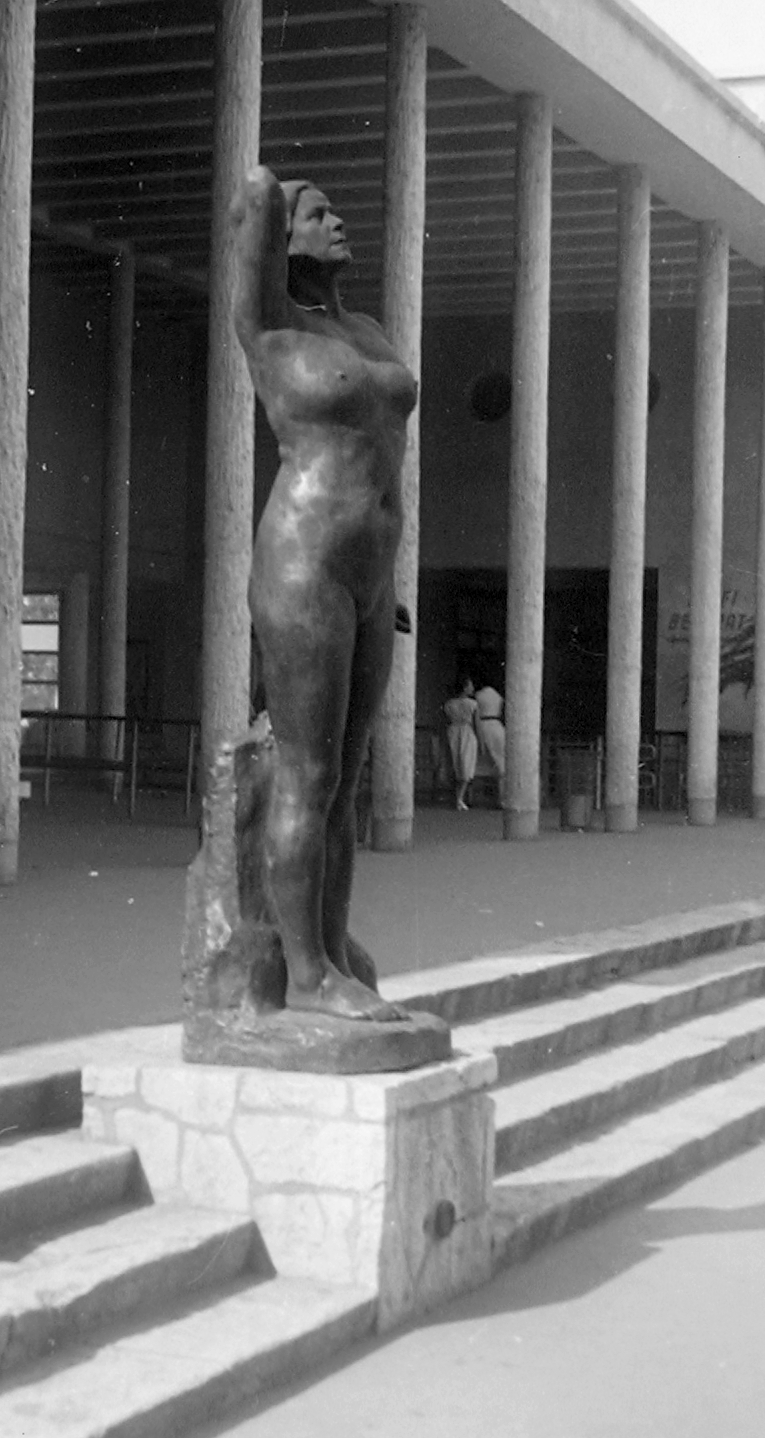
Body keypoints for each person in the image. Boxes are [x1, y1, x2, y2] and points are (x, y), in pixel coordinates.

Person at [234, 166, 417, 1024]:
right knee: (308, 774)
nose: (337, 221)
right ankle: (304, 977)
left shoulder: (367, 330)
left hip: (371, 573)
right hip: (304, 562)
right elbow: (255, 192)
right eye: (315, 214)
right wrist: (273, 196)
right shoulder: (268, 324)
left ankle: (332, 949)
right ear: (281, 236)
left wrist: (388, 577)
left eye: (335, 209)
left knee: (344, 783)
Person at [443, 677, 479, 811]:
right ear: (465, 688)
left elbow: (445, 720)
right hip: (467, 732)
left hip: (453, 731)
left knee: (456, 762)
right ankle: (460, 798)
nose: (472, 688)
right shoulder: (473, 704)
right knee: (466, 763)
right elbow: (477, 724)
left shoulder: (449, 704)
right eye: (470, 685)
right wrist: (480, 740)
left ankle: (459, 797)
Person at [474, 679, 506, 807]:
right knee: (501, 760)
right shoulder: (498, 696)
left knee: (479, 759)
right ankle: (502, 797)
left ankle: (475, 796)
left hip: (482, 725)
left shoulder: (478, 696)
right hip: (497, 726)